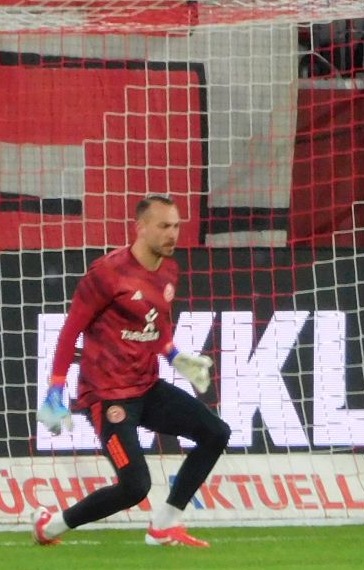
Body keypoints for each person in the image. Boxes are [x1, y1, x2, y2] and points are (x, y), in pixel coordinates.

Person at [32, 192, 228, 549]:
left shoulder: (169, 270)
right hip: (107, 396)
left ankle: (164, 525)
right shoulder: (107, 273)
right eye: (164, 226)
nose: (172, 234)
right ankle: (51, 526)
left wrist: (174, 355)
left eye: (176, 226)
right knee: (135, 486)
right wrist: (56, 388)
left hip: (146, 387)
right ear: (140, 227)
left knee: (216, 433)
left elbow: (157, 327)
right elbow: (71, 330)